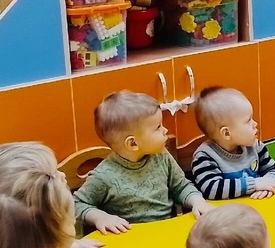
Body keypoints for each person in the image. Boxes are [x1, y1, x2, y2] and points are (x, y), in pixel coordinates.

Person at [73, 91, 213, 234]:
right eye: (158, 127)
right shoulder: (103, 176)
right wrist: (100, 218)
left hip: (168, 232)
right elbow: (77, 204)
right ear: (133, 143)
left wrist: (197, 201)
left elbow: (181, 187)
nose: (165, 130)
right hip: (131, 240)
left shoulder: (162, 156)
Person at [190, 86, 275, 200]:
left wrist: (269, 184)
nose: (255, 124)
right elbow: (211, 189)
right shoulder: (205, 156)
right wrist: (254, 184)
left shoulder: (255, 146)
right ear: (226, 133)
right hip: (227, 210)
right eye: (248, 120)